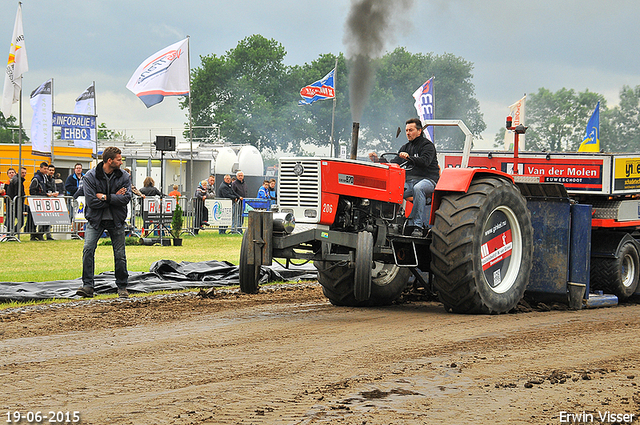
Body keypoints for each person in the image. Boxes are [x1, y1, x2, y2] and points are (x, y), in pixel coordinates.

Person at [369, 118, 440, 237]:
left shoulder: (427, 146)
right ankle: (388, 221)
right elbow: (394, 164)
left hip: (428, 180)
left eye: (411, 130)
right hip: (410, 181)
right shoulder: (405, 148)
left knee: (419, 188)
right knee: (393, 189)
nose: (408, 133)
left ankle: (416, 226)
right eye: (406, 130)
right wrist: (378, 160)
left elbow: (425, 161)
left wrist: (409, 158)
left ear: (419, 131)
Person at [76, 146, 132, 299]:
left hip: (116, 220)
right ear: (109, 160)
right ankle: (87, 286)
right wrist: (114, 198)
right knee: (88, 250)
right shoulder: (90, 176)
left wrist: (105, 197)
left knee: (120, 255)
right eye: (119, 160)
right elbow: (92, 201)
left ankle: (122, 287)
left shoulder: (124, 176)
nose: (121, 162)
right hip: (96, 220)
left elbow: (126, 198)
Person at [29, 161, 57, 241]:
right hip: (36, 201)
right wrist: (42, 195)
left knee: (46, 219)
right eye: (44, 169)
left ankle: (39, 234)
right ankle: (33, 235)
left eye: (46, 169)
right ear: (40, 168)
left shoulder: (44, 178)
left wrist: (50, 193)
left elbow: (47, 187)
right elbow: (32, 190)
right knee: (34, 220)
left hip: (43, 201)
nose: (46, 170)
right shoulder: (36, 178)